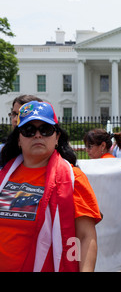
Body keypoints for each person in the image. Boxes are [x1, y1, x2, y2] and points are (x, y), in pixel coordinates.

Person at [0, 101, 102, 271]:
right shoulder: (4, 178)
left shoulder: (73, 179)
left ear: (57, 138)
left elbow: (85, 236)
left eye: (46, 130)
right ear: (19, 139)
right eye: (29, 130)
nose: (37, 135)